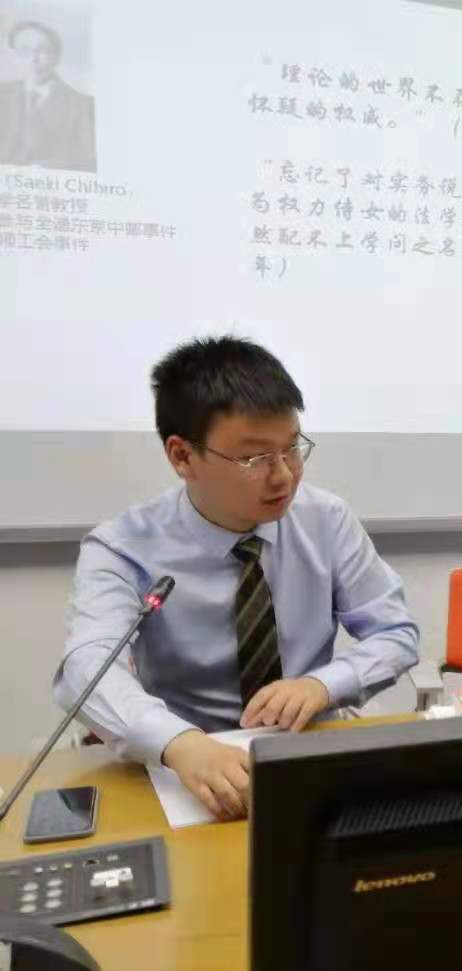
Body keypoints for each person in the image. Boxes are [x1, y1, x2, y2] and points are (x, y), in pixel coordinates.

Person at [53, 337, 420, 820]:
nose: (284, 476)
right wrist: (179, 743)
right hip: (188, 766)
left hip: (306, 747)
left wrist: (322, 685)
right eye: (254, 459)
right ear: (182, 456)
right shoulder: (123, 547)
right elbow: (86, 668)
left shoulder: (325, 519)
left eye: (292, 448)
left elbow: (396, 633)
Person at [0, 19, 97, 172]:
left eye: (42, 50)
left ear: (56, 56)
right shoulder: (3, 95)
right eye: (24, 50)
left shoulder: (82, 105)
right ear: (14, 56)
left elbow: (90, 161)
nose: (33, 58)